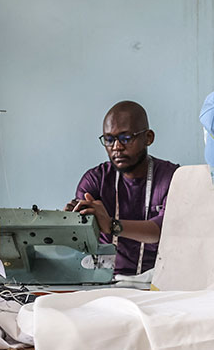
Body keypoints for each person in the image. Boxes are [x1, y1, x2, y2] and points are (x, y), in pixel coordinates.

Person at [66, 101, 179, 276]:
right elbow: (83, 242)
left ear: (148, 138)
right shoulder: (95, 179)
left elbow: (163, 230)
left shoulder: (173, 178)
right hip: (104, 281)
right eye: (109, 140)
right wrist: (73, 221)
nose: (117, 147)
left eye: (126, 138)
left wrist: (112, 225)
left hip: (159, 280)